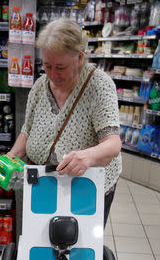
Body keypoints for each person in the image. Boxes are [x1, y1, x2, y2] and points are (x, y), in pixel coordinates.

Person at [8, 18, 122, 226]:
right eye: (47, 65)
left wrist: (87, 156)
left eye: (60, 67)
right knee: (42, 244)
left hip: (85, 187)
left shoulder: (99, 86)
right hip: (43, 184)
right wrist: (12, 156)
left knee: (78, 249)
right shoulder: (40, 86)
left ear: (79, 58)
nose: (52, 75)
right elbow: (28, 130)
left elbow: (113, 143)